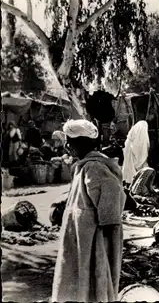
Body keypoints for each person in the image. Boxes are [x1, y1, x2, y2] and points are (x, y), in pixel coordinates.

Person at [51, 119, 126, 302]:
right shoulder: (84, 166)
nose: (67, 146)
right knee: (79, 279)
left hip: (93, 239)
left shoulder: (95, 167)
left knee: (93, 279)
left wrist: (103, 239)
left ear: (83, 142)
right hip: (82, 236)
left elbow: (111, 196)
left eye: (70, 141)